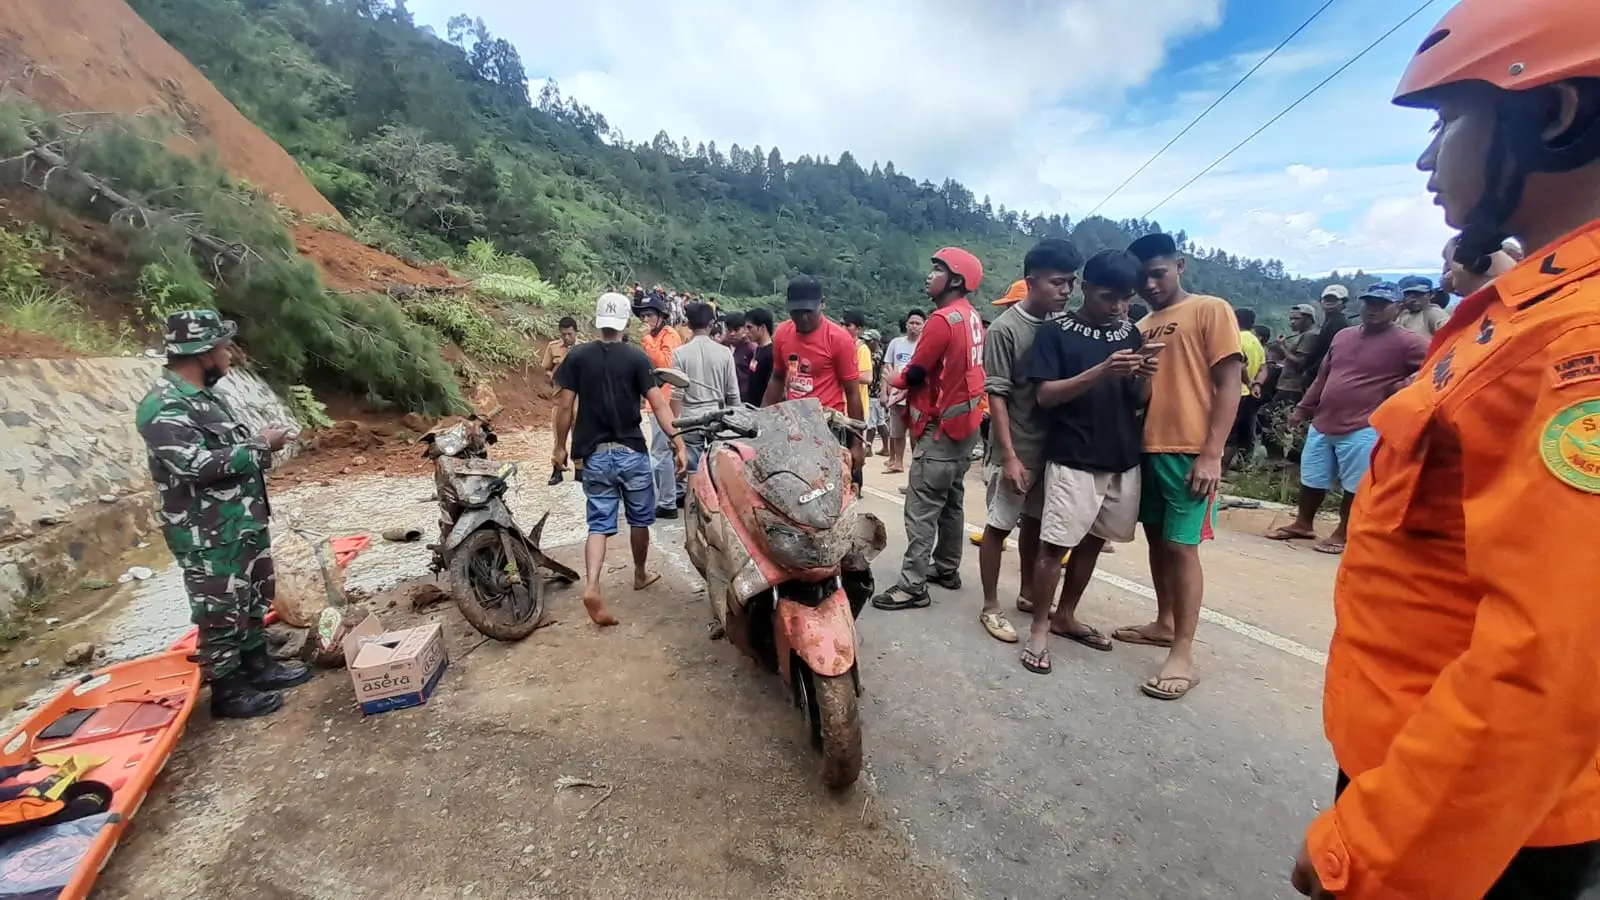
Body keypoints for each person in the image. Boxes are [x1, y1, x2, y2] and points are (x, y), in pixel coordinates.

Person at [1292, 3, 1600, 895]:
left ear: (1550, 116)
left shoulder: (1574, 342)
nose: (1426, 159)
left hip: (1470, 828)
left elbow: (1553, 661)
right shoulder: (1524, 316)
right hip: (1435, 779)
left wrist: (1372, 846)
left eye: (1445, 122)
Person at [136, 310, 306, 719]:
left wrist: (259, 444)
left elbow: (224, 454)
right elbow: (193, 465)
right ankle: (228, 690)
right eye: (223, 347)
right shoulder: (162, 407)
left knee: (251, 596)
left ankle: (257, 664)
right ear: (202, 353)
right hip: (206, 532)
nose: (230, 354)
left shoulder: (208, 397)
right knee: (219, 609)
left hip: (241, 520)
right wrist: (260, 445)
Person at [1118, 232, 1242, 702]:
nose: (1150, 283)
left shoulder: (1210, 309)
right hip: (1147, 447)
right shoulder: (1143, 323)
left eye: (1158, 273)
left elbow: (1229, 383)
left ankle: (1183, 653)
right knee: (1157, 542)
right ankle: (1164, 623)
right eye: (1143, 276)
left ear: (1180, 266)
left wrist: (1212, 453)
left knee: (1183, 548)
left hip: (1190, 450)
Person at [1020, 250, 1154, 673]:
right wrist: (1102, 370)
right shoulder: (1056, 333)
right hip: (1073, 455)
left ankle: (1066, 615)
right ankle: (1039, 628)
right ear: (1085, 288)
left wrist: (1146, 370)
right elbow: (1044, 396)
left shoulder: (1131, 333)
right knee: (1054, 545)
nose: (1117, 307)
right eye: (1107, 297)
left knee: (1095, 540)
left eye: (1125, 300)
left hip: (1120, 456)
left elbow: (1138, 401)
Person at [552, 293, 686, 628]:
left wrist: (559, 447)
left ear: (597, 322)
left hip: (594, 456)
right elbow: (658, 404)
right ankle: (640, 574)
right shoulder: (637, 359)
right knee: (640, 519)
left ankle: (593, 585)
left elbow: (565, 407)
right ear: (626, 323)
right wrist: (678, 441)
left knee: (599, 524)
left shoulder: (577, 357)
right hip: (631, 454)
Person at [1267, 283, 1428, 555]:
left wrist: (1404, 385)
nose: (1373, 309)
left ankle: (1343, 532)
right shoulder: (1343, 336)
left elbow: (1442, 363)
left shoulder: (1408, 342)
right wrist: (1303, 409)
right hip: (1324, 419)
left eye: (1381, 304)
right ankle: (1303, 523)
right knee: (1313, 476)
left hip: (1365, 424)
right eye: (1368, 303)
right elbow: (1323, 376)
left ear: (1397, 307)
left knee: (1356, 483)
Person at [974, 239, 1081, 644]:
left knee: (1036, 527)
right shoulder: (1005, 330)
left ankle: (1027, 593)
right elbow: (997, 395)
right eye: (1057, 282)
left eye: (1070, 283)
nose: (1066, 291)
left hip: (1051, 449)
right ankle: (989, 605)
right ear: (1031, 282)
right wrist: (1010, 456)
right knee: (999, 527)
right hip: (1018, 448)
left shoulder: (1062, 326)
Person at [871, 248, 987, 612]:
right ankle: (947, 568)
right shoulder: (971, 318)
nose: (929, 276)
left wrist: (895, 378)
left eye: (937, 270)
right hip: (965, 427)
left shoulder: (942, 320)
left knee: (921, 508)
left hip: (939, 429)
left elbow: (917, 372)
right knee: (951, 500)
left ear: (955, 279)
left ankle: (912, 585)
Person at [761, 277, 866, 483]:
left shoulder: (839, 339)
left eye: (809, 311)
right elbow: (777, 378)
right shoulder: (782, 333)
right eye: (796, 312)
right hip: (793, 425)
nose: (803, 318)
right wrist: (762, 419)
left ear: (823, 303)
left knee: (826, 487)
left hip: (827, 428)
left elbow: (853, 393)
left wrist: (857, 444)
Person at [671, 302, 742, 476]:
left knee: (692, 473)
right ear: (712, 324)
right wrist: (737, 422)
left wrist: (672, 430)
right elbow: (733, 394)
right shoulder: (724, 353)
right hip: (717, 419)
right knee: (718, 471)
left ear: (688, 325)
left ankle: (692, 501)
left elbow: (677, 394)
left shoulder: (680, 353)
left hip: (690, 421)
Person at [635, 293, 683, 520]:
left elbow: (665, 364)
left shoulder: (669, 335)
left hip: (664, 402)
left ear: (661, 316)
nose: (646, 319)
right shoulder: (655, 336)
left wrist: (646, 340)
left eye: (650, 315)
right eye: (643, 315)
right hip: (655, 400)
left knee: (661, 452)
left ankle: (667, 502)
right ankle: (670, 495)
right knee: (663, 451)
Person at [1261, 304, 1320, 462]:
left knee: (1271, 422)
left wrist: (1282, 348)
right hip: (1287, 386)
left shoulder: (1310, 336)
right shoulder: (1304, 335)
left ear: (1308, 319)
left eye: (1296, 319)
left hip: (1292, 388)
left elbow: (1300, 362)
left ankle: (1278, 461)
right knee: (1275, 422)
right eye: (1291, 319)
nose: (1292, 322)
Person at [881, 310, 924, 473]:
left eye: (918, 323)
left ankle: (916, 467)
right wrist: (883, 392)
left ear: (923, 326)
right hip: (895, 395)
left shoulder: (924, 345)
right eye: (911, 322)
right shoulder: (896, 343)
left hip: (915, 396)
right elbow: (886, 368)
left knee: (914, 433)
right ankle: (897, 462)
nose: (914, 326)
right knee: (896, 431)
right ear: (906, 324)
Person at [543, 316, 584, 485]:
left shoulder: (584, 349)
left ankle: (580, 470)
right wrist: (552, 375)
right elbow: (546, 369)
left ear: (576, 332)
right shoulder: (553, 347)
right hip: (560, 397)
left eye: (569, 334)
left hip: (579, 398)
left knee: (579, 433)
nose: (566, 338)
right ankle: (557, 468)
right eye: (563, 334)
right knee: (558, 434)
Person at [1229, 308, 1267, 469]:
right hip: (1249, 395)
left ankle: (1221, 471)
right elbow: (1264, 368)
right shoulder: (1256, 342)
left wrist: (1248, 381)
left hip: (1232, 392)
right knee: (1245, 434)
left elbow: (1240, 365)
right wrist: (1256, 384)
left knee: (1228, 435)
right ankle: (1243, 467)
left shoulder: (1234, 338)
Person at [1304, 284, 1351, 383]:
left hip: (1326, 375)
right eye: (1327, 299)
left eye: (1334, 300)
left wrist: (1311, 372)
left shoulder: (1338, 323)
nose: (1329, 302)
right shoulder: (1329, 321)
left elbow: (1331, 353)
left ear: (1343, 303)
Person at [841, 310, 876, 441]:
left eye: (848, 325)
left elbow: (867, 378)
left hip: (856, 406)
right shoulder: (840, 345)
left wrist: (844, 375)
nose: (843, 328)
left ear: (858, 329)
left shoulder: (862, 349)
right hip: (840, 406)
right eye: (842, 324)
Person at [863, 330, 890, 455]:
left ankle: (868, 448)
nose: (866, 343)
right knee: (880, 421)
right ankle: (886, 448)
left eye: (869, 341)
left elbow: (869, 366)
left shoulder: (876, 355)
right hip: (877, 393)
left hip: (874, 393)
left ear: (876, 342)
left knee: (871, 423)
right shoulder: (878, 353)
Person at [743, 307, 776, 406]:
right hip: (751, 407)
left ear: (762, 328)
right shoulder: (757, 349)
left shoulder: (772, 353)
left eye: (750, 327)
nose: (746, 332)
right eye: (746, 328)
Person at [721, 311, 755, 401]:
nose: (732, 334)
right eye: (729, 330)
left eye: (736, 330)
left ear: (745, 329)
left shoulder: (752, 350)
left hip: (747, 401)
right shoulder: (728, 348)